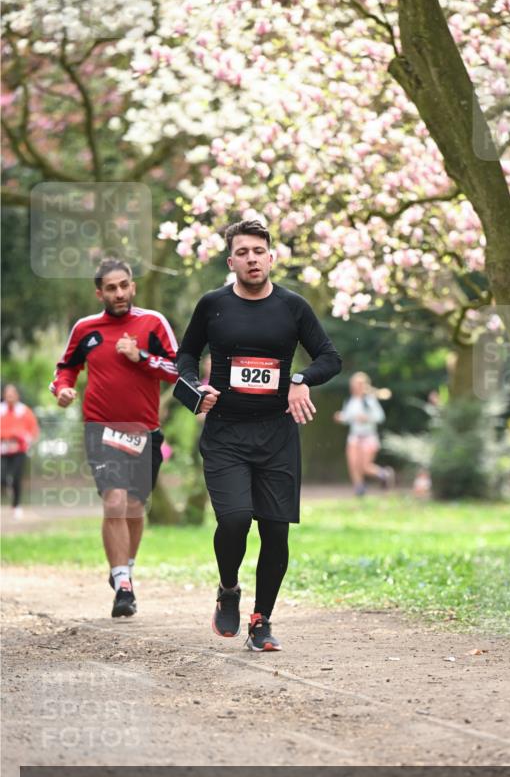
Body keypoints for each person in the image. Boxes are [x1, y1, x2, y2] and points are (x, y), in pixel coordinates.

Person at [177, 218, 341, 652]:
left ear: (271, 257)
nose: (252, 259)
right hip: (225, 434)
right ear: (231, 262)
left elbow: (330, 357)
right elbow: (186, 355)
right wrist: (195, 390)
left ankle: (261, 621)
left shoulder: (293, 307)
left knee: (275, 531)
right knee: (234, 520)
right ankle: (229, 588)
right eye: (243, 252)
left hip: (276, 436)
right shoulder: (213, 305)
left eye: (258, 251)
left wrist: (300, 379)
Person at [50, 258, 179, 617]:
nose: (119, 293)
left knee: (134, 507)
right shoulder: (86, 328)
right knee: (115, 500)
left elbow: (177, 370)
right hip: (101, 428)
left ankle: (125, 570)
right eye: (111, 288)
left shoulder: (153, 323)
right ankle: (123, 585)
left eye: (124, 285)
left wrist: (141, 356)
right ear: (100, 293)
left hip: (144, 431)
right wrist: (63, 389)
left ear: (133, 286)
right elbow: (65, 369)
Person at [334, 372, 394, 496]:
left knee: (365, 466)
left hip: (368, 436)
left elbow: (380, 417)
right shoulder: (350, 401)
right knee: (353, 463)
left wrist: (366, 418)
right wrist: (341, 417)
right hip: (354, 436)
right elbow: (348, 417)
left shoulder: (369, 400)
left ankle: (384, 474)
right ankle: (359, 489)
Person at [0, 384, 40, 519]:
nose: (10, 396)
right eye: (7, 394)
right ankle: (7, 485)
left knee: (17, 477)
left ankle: (16, 506)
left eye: (12, 394)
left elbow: (33, 429)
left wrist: (24, 440)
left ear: (17, 395)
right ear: (4, 395)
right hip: (2, 449)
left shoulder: (24, 411)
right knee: (2, 477)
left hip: (19, 450)